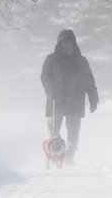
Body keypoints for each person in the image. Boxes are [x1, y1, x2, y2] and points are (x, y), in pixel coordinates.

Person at [40, 29, 99, 164]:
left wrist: (93, 99)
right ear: (59, 43)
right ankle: (55, 153)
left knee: (73, 131)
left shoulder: (81, 61)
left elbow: (89, 81)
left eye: (70, 42)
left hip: (75, 100)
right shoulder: (51, 59)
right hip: (55, 99)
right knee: (53, 130)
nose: (67, 45)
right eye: (64, 42)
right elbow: (44, 77)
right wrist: (50, 90)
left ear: (74, 43)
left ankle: (69, 154)